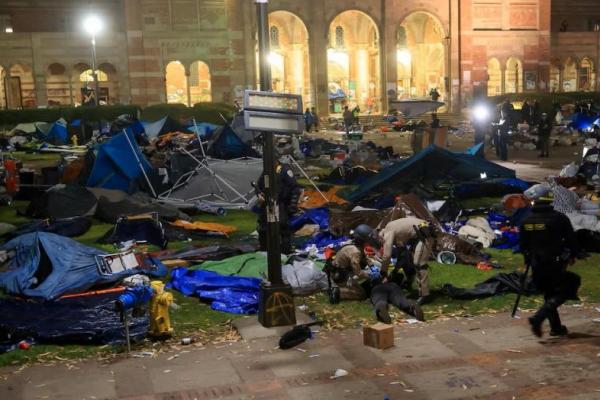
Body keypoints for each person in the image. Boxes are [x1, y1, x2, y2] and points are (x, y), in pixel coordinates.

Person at [519, 200, 580, 337]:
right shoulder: (558, 218)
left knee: (548, 292)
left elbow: (523, 245)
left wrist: (528, 259)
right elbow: (571, 238)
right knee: (570, 284)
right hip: (555, 261)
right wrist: (573, 254)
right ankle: (538, 318)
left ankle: (556, 327)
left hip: (536, 262)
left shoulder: (526, 220)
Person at [379, 217, 437, 305]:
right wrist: (394, 272)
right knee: (410, 259)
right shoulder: (397, 229)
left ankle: (425, 295)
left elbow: (387, 256)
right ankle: (409, 282)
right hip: (422, 231)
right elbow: (402, 257)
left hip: (424, 233)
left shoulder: (388, 230)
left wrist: (383, 272)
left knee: (419, 264)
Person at [255, 160, 302, 254]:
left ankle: (285, 251)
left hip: (281, 204)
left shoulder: (285, 170)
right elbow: (259, 186)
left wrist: (292, 206)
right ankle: (264, 250)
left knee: (282, 228)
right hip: (267, 204)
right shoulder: (266, 171)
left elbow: (295, 189)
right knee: (263, 228)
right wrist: (259, 194)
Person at [327, 225, 380, 301]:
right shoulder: (355, 252)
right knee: (361, 294)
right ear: (363, 239)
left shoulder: (352, 243)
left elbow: (364, 258)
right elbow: (358, 272)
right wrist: (370, 275)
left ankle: (337, 286)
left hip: (336, 271)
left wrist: (372, 266)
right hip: (340, 277)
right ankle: (337, 292)